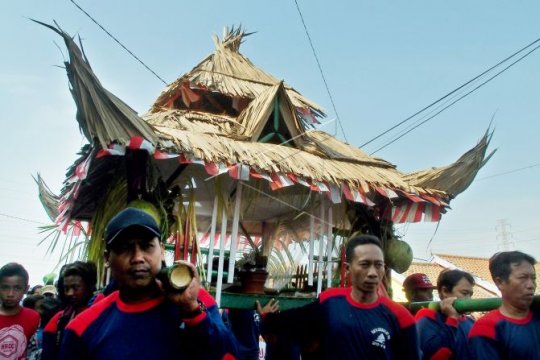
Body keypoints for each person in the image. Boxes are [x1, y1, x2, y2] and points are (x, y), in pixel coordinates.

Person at [58, 207, 238, 359]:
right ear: (107, 258)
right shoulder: (82, 327)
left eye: (146, 246)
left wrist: (192, 311)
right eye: (125, 248)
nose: (137, 258)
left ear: (161, 250)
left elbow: (228, 354)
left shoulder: (196, 300)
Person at [259, 234, 420, 359]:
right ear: (348, 269)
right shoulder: (330, 304)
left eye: (378, 265)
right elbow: (288, 324)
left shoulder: (401, 318)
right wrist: (267, 317)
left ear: (384, 269)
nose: (372, 273)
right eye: (364, 264)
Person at [468, 251, 539, 359]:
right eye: (522, 278)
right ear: (500, 282)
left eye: (533, 278)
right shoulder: (486, 328)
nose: (531, 285)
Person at [42, 261, 97, 360]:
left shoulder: (103, 312)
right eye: (66, 288)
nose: (70, 293)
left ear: (90, 286)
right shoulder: (60, 318)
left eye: (76, 288)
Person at [415, 269, 475, 360]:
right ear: (445, 291)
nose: (469, 299)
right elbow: (430, 354)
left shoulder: (471, 323)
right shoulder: (427, 319)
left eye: (470, 295)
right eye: (464, 293)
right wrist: (452, 319)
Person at [0, 262, 40, 360]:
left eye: (17, 288)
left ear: (26, 289)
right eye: (5, 287)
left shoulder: (33, 317)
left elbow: (33, 353)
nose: (10, 294)